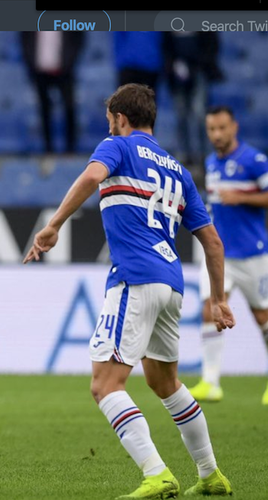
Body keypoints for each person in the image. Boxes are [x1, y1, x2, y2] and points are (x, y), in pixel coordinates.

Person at [24, 84, 234, 498]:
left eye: (110, 121)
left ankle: (157, 473)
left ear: (119, 119)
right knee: (165, 382)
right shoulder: (178, 169)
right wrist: (220, 298)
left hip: (134, 278)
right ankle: (211, 475)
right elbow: (212, 241)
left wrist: (54, 225)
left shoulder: (117, 146)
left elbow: (90, 175)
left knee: (105, 384)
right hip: (172, 283)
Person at [190, 106, 268, 405]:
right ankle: (211, 382)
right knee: (210, 308)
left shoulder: (255, 161)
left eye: (222, 128)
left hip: (252, 255)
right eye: (211, 129)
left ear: (234, 127)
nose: (217, 134)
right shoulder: (211, 162)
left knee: (262, 316)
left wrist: (242, 198)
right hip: (220, 255)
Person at [163, 33, 222, 166]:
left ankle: (204, 155)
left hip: (200, 71)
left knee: (200, 113)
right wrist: (174, 64)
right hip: (176, 76)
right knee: (181, 114)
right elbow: (166, 46)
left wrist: (198, 64)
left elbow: (212, 44)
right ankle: (184, 156)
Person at [20, 32, 84, 154]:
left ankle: (70, 150)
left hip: (65, 70)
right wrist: (32, 63)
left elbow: (78, 39)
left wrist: (68, 61)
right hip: (40, 70)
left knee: (69, 107)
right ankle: (48, 149)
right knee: (44, 109)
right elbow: (25, 40)